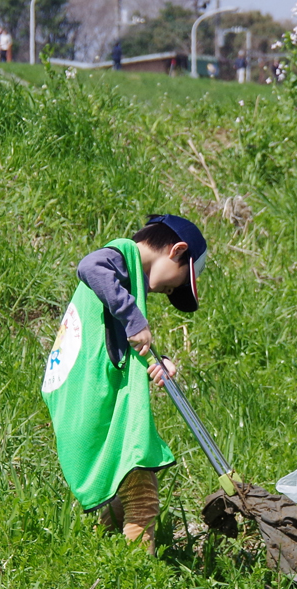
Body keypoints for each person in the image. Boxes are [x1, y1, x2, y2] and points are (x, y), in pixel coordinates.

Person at [42, 215, 209, 554]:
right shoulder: (119, 256)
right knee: (142, 501)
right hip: (94, 408)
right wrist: (134, 318)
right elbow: (90, 265)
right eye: (177, 284)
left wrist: (155, 363)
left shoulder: (124, 285)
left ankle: (98, 551)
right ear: (176, 250)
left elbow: (114, 345)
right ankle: (138, 579)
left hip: (86, 403)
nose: (169, 291)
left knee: (120, 494)